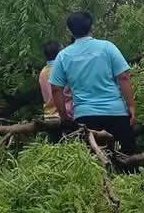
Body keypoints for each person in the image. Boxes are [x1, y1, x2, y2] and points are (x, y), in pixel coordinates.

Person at [48, 11, 137, 154]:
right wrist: (131, 106)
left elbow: (55, 89)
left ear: (70, 31)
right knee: (126, 157)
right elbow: (123, 77)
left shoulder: (63, 56)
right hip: (116, 114)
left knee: (94, 160)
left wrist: (64, 117)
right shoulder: (107, 47)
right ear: (91, 27)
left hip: (85, 117)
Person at [38, 40, 73, 119]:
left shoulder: (43, 72)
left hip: (49, 115)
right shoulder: (63, 69)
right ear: (60, 52)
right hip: (66, 115)